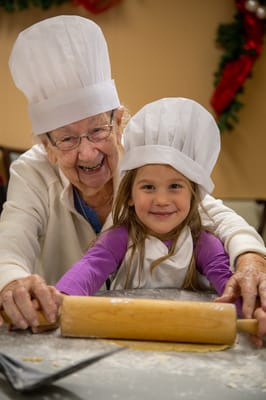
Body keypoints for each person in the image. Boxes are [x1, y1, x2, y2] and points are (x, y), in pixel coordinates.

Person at [0, 16, 265, 345]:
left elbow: (214, 214)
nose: (87, 153)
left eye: (98, 129)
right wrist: (12, 283)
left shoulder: (146, 160)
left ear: (119, 121)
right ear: (46, 146)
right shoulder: (31, 172)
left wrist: (252, 261)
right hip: (67, 335)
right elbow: (9, 248)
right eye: (66, 139)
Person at [56, 97, 242, 318]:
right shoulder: (120, 238)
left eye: (174, 186)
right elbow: (89, 269)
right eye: (148, 187)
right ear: (130, 196)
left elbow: (229, 287)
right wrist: (59, 300)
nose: (161, 200)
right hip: (128, 332)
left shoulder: (202, 243)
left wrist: (251, 309)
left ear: (193, 195)